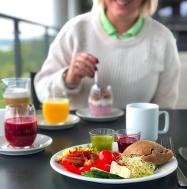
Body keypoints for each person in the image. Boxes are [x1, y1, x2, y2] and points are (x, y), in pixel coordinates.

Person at [34, 0, 181, 110]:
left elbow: (165, 106)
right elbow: (42, 92)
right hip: (75, 143)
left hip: (134, 142)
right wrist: (68, 78)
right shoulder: (75, 30)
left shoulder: (163, 39)